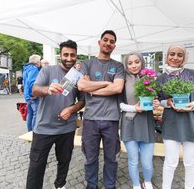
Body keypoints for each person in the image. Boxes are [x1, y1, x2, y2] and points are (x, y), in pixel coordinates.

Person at [26, 40, 85, 189]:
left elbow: (82, 101)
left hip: (67, 128)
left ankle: (60, 185)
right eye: (66, 54)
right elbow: (34, 90)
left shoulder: (78, 76)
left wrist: (71, 109)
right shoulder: (47, 70)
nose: (69, 58)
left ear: (76, 55)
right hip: (43, 128)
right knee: (36, 165)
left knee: (64, 161)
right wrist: (47, 89)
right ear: (60, 55)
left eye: (72, 55)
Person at [155, 45, 194, 189]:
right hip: (171, 124)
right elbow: (158, 100)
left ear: (184, 58)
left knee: (190, 163)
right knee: (170, 162)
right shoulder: (161, 78)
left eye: (179, 55)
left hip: (192, 123)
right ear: (167, 56)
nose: (175, 57)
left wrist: (193, 105)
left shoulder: (193, 75)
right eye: (172, 54)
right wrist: (167, 102)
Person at [78, 30, 125, 189]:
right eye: (105, 40)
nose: (108, 43)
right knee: (90, 157)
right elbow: (82, 85)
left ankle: (109, 186)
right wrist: (106, 84)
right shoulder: (87, 64)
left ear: (114, 46)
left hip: (111, 119)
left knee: (111, 158)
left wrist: (92, 88)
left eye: (111, 41)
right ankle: (92, 186)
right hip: (90, 118)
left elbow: (118, 88)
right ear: (99, 42)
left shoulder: (118, 66)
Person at [120, 52, 155, 189]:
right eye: (130, 63)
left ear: (142, 62)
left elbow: (156, 98)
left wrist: (156, 102)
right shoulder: (122, 79)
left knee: (147, 162)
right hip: (129, 122)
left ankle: (147, 181)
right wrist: (134, 108)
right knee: (133, 160)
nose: (133, 65)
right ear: (126, 65)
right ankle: (136, 185)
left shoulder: (150, 78)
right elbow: (119, 104)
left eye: (137, 62)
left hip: (146, 123)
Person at [23, 54, 41, 131]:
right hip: (32, 96)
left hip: (27, 96)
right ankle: (34, 132)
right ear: (37, 62)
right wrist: (33, 94)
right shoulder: (34, 69)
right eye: (39, 61)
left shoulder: (26, 69)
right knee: (36, 114)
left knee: (30, 114)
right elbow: (31, 82)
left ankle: (29, 131)